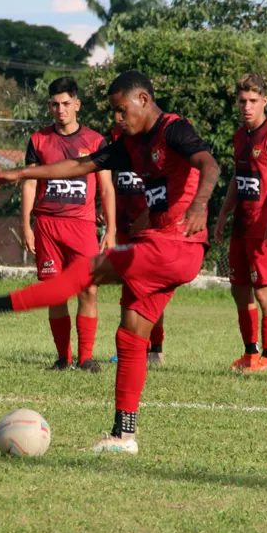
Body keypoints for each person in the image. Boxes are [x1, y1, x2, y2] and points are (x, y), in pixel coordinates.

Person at [0, 71, 219, 454]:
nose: (116, 119)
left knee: (86, 271)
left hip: (176, 246)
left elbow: (209, 165)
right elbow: (77, 166)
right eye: (113, 112)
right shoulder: (128, 144)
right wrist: (20, 173)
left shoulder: (173, 129)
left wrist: (199, 207)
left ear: (143, 100)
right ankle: (123, 436)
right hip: (165, 246)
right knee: (130, 336)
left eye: (121, 110)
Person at [21, 76, 115, 372]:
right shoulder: (39, 140)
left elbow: (107, 187)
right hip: (47, 226)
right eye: (54, 104)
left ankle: (86, 358)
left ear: (77, 104)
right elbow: (29, 183)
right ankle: (63, 358)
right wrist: (26, 224)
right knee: (56, 292)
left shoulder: (96, 141)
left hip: (82, 226)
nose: (60, 109)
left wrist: (110, 229)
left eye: (65, 104)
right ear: (49, 106)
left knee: (88, 290)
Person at [213, 74, 267, 373]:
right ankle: (251, 354)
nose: (246, 107)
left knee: (264, 293)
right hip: (242, 225)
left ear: (264, 101)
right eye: (242, 101)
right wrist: (224, 213)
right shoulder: (240, 135)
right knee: (240, 290)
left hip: (265, 229)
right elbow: (239, 177)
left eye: (252, 101)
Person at [111, 128, 166, 366]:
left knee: (151, 288)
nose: (119, 117)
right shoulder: (117, 136)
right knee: (129, 286)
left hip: (149, 225)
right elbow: (116, 175)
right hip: (124, 223)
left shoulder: (160, 136)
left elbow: (164, 186)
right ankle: (133, 347)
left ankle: (155, 348)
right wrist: (110, 210)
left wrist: (146, 219)